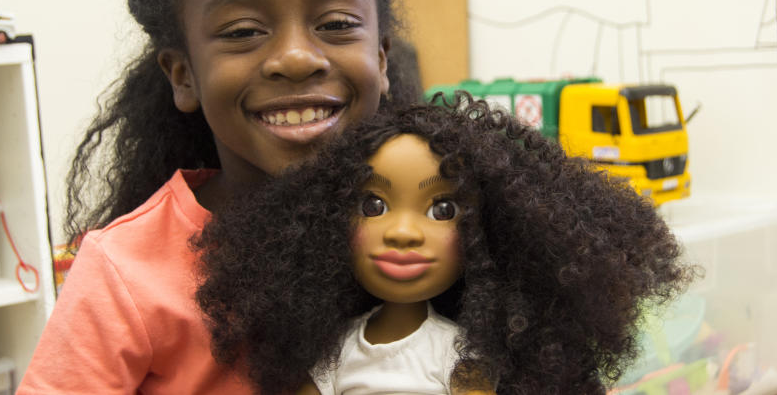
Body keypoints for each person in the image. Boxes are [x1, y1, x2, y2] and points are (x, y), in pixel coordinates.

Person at [18, 0, 402, 392]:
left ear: (380, 58)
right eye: (243, 31)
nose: (296, 58)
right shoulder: (125, 272)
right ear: (183, 75)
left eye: (335, 22)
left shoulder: (433, 223)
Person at [193, 95, 695, 395]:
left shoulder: (462, 356)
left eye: (442, 210)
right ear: (326, 226)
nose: (404, 232)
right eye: (373, 206)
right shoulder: (334, 353)